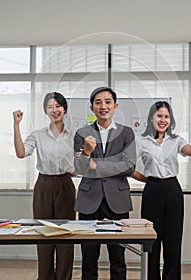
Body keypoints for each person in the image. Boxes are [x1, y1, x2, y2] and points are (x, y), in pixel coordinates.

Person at [132, 101, 191, 280]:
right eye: (159, 116)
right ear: (151, 118)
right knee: (151, 240)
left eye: (166, 116)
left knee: (172, 241)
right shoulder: (142, 141)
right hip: (152, 190)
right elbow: (128, 167)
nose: (163, 120)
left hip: (172, 190)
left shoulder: (176, 140)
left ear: (170, 120)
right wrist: (148, 179)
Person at [74, 86, 136, 280]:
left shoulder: (126, 133)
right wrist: (86, 153)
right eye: (98, 102)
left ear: (115, 106)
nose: (103, 106)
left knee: (118, 257)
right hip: (88, 200)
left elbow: (129, 166)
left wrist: (96, 165)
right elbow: (80, 168)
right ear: (92, 107)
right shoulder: (82, 133)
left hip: (117, 199)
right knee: (89, 258)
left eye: (108, 102)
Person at [13, 92, 76, 280]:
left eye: (58, 106)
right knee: (43, 234)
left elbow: (82, 163)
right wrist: (16, 125)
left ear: (64, 109)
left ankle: (64, 277)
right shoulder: (38, 135)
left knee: (65, 235)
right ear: (45, 111)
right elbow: (21, 152)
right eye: (50, 107)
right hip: (44, 185)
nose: (54, 110)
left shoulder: (73, 136)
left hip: (65, 184)